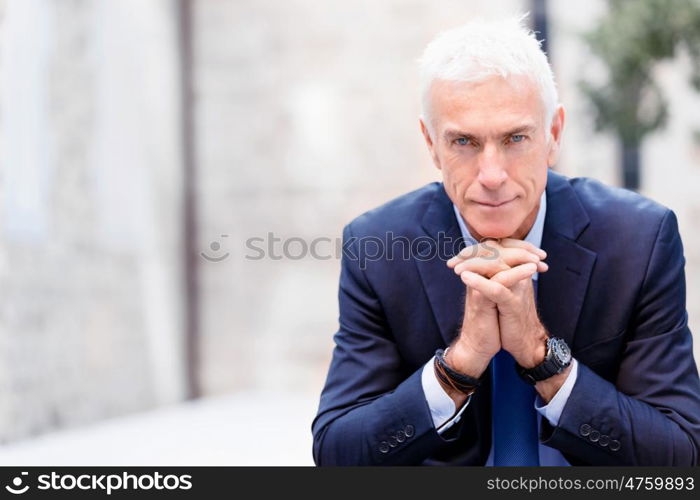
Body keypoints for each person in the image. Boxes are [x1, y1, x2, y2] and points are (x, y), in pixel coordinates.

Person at [311, 16, 700, 466]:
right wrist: (459, 364)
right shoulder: (378, 247)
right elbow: (337, 454)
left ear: (553, 134)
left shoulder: (639, 239)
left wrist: (541, 356)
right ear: (431, 144)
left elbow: (679, 456)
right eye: (464, 142)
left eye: (515, 138)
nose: (492, 176)